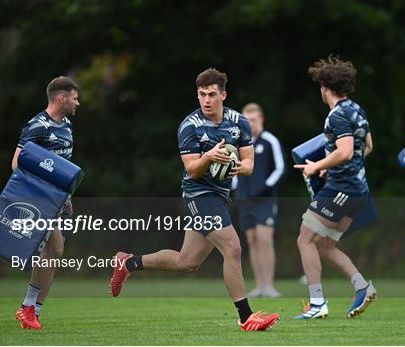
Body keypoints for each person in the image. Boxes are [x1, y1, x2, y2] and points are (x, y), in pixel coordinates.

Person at [110, 68, 279, 331]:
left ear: (223, 94)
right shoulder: (190, 126)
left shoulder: (240, 122)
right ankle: (246, 317)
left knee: (187, 261)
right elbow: (191, 169)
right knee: (232, 247)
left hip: (221, 195)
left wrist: (236, 167)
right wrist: (209, 157)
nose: (206, 100)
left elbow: (249, 164)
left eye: (212, 94)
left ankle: (128, 262)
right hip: (198, 194)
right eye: (202, 95)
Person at [293, 55, 376, 319]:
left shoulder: (336, 116)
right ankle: (362, 286)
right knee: (325, 245)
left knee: (305, 240)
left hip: (341, 189)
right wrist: (334, 165)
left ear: (325, 88)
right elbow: (367, 147)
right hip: (358, 190)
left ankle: (317, 304)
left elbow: (346, 150)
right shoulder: (357, 110)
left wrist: (316, 167)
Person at [13, 76, 80, 329]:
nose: (78, 102)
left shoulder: (67, 125)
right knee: (54, 248)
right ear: (62, 98)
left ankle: (31, 310)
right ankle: (28, 308)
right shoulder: (37, 126)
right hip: (39, 197)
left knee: (54, 251)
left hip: (59, 199)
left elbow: (63, 167)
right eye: (74, 98)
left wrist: (67, 194)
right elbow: (17, 164)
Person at [233, 103, 285, 298]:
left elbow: (280, 169)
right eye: (247, 120)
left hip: (265, 200)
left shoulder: (270, 140)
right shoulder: (239, 143)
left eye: (253, 119)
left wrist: (264, 187)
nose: (250, 123)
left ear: (261, 119)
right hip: (245, 200)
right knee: (252, 240)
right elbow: (233, 169)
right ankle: (259, 285)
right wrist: (236, 188)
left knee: (264, 239)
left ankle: (269, 285)